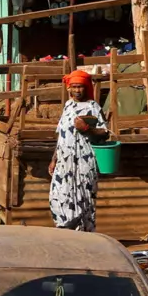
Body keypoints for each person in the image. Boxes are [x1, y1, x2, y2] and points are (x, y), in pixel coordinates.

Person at [47, 69, 105, 233]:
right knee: (57, 198)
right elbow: (62, 135)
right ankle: (66, 231)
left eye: (80, 87)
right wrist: (54, 158)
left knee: (83, 200)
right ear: (68, 88)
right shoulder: (68, 106)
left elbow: (104, 133)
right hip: (64, 163)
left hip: (84, 162)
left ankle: (81, 236)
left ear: (86, 87)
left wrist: (86, 128)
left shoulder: (93, 107)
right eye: (74, 87)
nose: (77, 90)